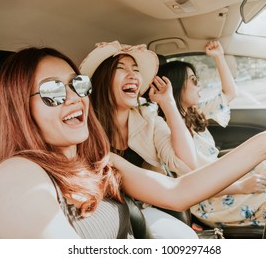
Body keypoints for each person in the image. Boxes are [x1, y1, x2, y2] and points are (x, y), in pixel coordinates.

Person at [0, 46, 266, 239]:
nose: (74, 97)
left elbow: (179, 189)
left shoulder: (99, 159)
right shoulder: (18, 174)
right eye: (50, 91)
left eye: (77, 84)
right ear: (19, 109)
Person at [153, 40, 266, 227]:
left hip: (223, 178)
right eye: (194, 80)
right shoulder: (163, 129)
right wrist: (241, 186)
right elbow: (190, 181)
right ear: (176, 86)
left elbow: (229, 93)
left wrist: (219, 57)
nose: (199, 85)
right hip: (210, 197)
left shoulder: (194, 112)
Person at [79, 41, 199, 239]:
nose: (133, 75)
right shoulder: (84, 125)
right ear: (102, 79)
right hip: (104, 216)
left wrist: (168, 104)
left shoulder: (149, 118)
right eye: (121, 68)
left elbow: (187, 164)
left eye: (135, 70)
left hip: (146, 209)